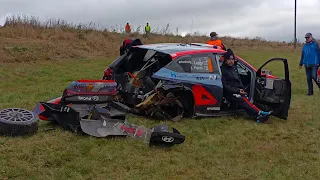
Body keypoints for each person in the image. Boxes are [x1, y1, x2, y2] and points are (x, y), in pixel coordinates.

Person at [221, 49, 272, 123]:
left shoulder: (234, 67)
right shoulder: (223, 70)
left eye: (232, 59)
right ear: (225, 60)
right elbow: (226, 87)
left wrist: (242, 89)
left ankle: (257, 118)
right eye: (229, 59)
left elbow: (238, 79)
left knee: (246, 100)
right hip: (229, 92)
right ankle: (260, 112)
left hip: (238, 90)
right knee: (243, 100)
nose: (231, 61)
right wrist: (238, 91)